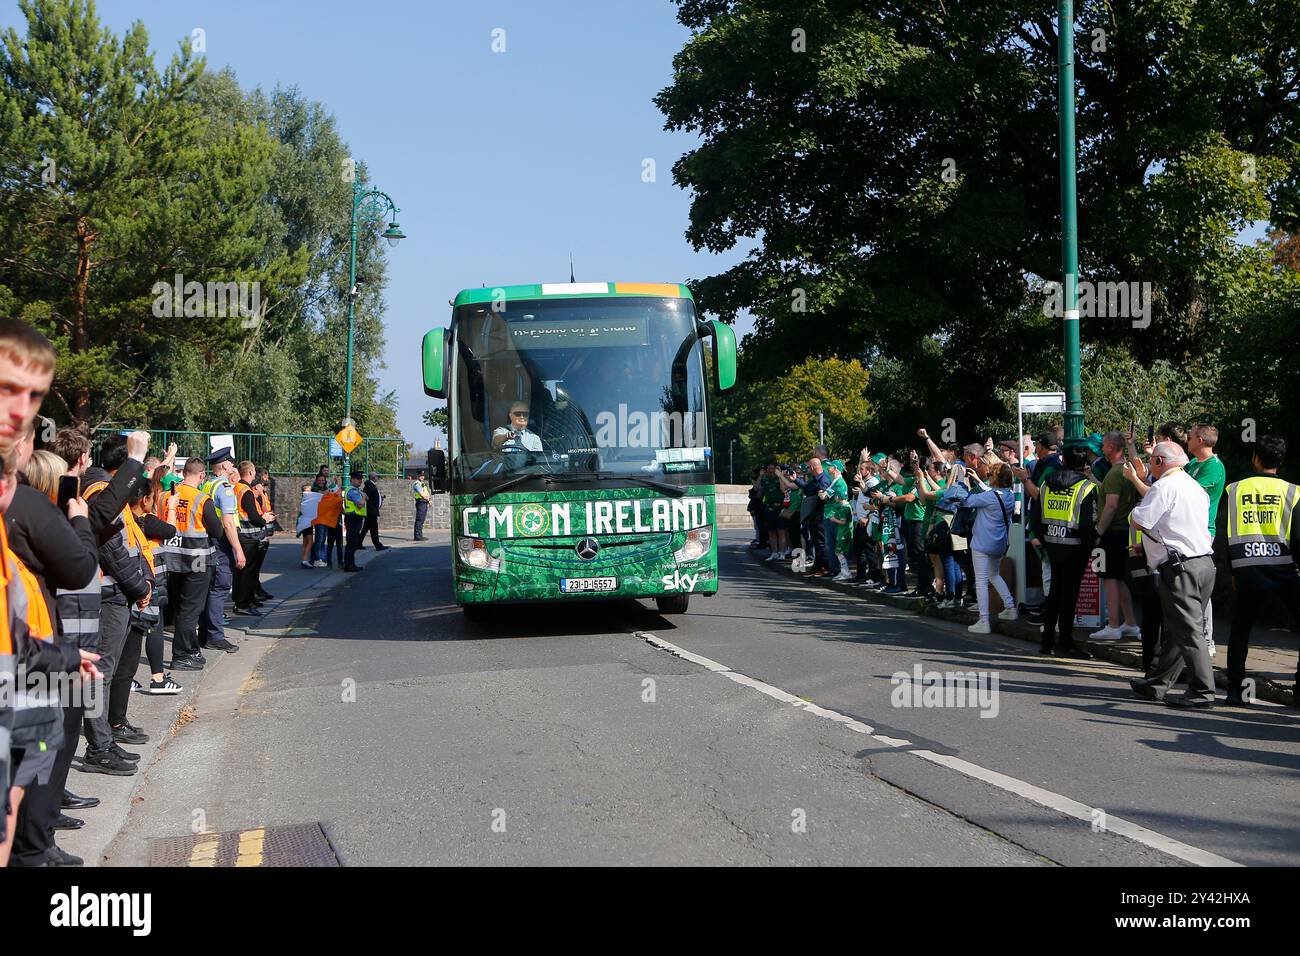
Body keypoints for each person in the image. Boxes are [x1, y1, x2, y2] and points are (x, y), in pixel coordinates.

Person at [3, 439, 98, 867]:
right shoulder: (27, 508)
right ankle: (35, 846)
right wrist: (79, 524)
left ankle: (38, 841)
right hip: (35, 663)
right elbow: (80, 567)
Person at [77, 432, 154, 777]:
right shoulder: (99, 491)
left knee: (104, 674)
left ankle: (104, 739)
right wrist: (137, 585)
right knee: (99, 675)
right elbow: (110, 547)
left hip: (115, 591)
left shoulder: (106, 486)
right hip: (108, 592)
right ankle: (98, 746)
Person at [1127, 442, 1217, 708]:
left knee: (1188, 632)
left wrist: (1135, 507)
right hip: (1204, 564)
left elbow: (1140, 521)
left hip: (1180, 569)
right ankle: (1157, 684)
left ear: (1158, 461)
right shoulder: (1195, 487)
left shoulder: (1164, 487)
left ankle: (1202, 690)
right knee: (1178, 629)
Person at [1221, 434, 1300, 707]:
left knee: (1240, 630)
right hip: (1284, 568)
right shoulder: (1293, 491)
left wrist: (1231, 569)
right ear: (1281, 461)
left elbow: (1227, 532)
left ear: (1256, 458)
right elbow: (1298, 535)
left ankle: (1235, 691)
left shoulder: (1235, 489)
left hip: (1247, 567)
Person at [1037, 443, 1097, 658]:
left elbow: (1037, 515)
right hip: (1076, 548)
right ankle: (1065, 642)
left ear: (1063, 461)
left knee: (1054, 593)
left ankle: (1046, 642)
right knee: (1069, 596)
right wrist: (1090, 546)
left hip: (1052, 544)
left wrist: (1044, 540)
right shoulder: (1087, 488)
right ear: (1085, 464)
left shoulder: (1045, 484)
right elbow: (1088, 524)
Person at [162, 456, 218, 671]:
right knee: (191, 608)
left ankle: (191, 649)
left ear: (184, 472)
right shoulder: (202, 499)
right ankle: (182, 654)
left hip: (171, 557)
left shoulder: (165, 496)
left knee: (181, 606)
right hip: (196, 560)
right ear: (202, 475)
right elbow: (217, 531)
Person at [1091, 431, 1141, 641]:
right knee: (1120, 579)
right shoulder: (1128, 471)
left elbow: (1111, 506)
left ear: (1111, 447)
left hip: (1112, 532)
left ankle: (1113, 625)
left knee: (1109, 579)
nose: (1101, 448)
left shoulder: (1113, 474)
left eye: (1103, 445)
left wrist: (1097, 533)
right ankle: (1130, 622)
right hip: (1126, 532)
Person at [198, 448, 245, 655]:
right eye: (232, 465)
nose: (234, 468)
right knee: (219, 588)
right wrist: (239, 550)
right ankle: (215, 636)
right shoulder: (225, 488)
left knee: (208, 588)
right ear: (225, 466)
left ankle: (205, 634)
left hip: (207, 542)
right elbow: (228, 522)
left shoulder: (207, 484)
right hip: (221, 543)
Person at [962, 458, 1018, 634]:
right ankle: (1010, 607)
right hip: (999, 543)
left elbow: (967, 501)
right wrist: (979, 482)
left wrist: (960, 483)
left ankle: (984, 620)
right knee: (994, 574)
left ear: (995, 478)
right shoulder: (1008, 494)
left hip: (982, 543)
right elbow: (994, 494)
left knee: (981, 580)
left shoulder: (989, 497)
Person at [231, 460, 274, 616]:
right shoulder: (246, 491)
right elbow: (254, 516)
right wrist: (265, 519)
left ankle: (245, 600)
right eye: (254, 471)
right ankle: (243, 603)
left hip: (241, 534)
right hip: (249, 535)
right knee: (247, 572)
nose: (255, 473)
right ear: (250, 473)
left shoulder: (236, 488)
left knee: (241, 572)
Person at [313, 482, 344, 568]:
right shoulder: (338, 500)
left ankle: (329, 561)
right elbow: (343, 511)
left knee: (330, 544)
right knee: (339, 545)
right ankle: (340, 562)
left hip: (330, 524)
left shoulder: (327, 499)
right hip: (337, 525)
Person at [343, 470, 368, 572]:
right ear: (352, 479)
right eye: (358, 479)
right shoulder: (353, 491)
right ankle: (349, 565)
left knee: (352, 543)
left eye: (361, 479)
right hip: (353, 519)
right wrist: (363, 497)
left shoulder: (354, 490)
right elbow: (360, 504)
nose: (360, 480)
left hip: (353, 518)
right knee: (351, 543)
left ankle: (350, 564)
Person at [363, 472, 387, 551]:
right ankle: (378, 545)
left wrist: (380, 498)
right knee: (374, 529)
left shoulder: (371, 485)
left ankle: (358, 543)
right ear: (373, 477)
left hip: (372, 511)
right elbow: (366, 496)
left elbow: (372, 496)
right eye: (377, 476)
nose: (378, 478)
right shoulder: (370, 485)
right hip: (371, 511)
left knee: (365, 528)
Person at [412, 470, 432, 541]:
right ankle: (417, 536)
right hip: (420, 502)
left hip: (424, 502)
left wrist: (429, 499)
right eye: (421, 475)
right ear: (418, 476)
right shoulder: (417, 484)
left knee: (422, 519)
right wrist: (428, 500)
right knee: (419, 519)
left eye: (423, 476)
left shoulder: (422, 484)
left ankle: (420, 535)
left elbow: (426, 492)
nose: (422, 477)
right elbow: (421, 494)